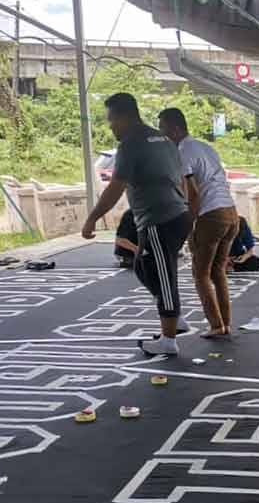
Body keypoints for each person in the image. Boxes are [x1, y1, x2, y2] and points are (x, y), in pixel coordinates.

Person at [81, 92, 192, 356]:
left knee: (164, 276)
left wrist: (91, 218)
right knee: (143, 266)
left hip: (159, 219)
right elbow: (180, 178)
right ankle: (175, 317)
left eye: (111, 120)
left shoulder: (131, 143)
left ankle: (169, 339)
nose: (110, 126)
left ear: (124, 116)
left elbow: (115, 188)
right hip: (174, 214)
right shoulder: (162, 138)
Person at [158, 107, 240, 340]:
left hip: (210, 214)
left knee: (200, 273)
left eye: (163, 129)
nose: (162, 135)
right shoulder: (205, 147)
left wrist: (188, 225)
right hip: (230, 212)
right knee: (218, 271)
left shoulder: (182, 151)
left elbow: (192, 194)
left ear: (174, 129)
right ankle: (226, 323)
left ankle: (216, 325)